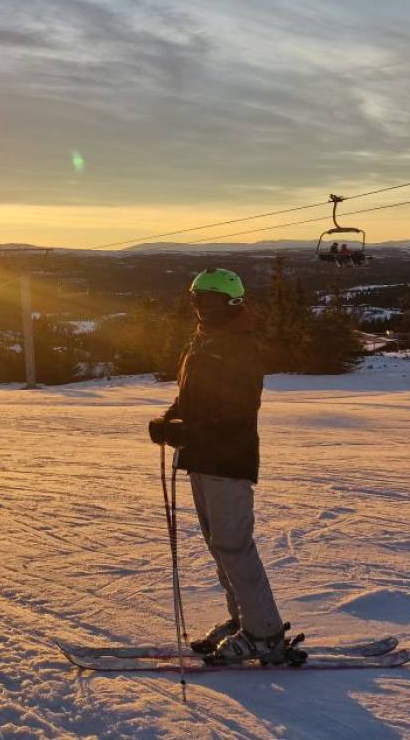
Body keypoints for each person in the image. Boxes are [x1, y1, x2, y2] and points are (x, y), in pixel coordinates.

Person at [148, 268, 294, 664]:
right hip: (202, 459)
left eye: (208, 300)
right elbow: (191, 398)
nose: (200, 307)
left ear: (231, 303)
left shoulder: (239, 349)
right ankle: (243, 620)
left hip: (228, 460)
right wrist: (168, 420)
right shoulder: (205, 341)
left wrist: (185, 432)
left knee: (234, 545)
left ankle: (264, 634)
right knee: (221, 547)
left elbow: (235, 413)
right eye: (196, 299)